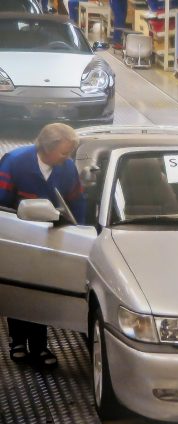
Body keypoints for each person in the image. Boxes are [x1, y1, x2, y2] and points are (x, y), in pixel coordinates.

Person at [0, 123, 85, 369]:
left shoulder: (67, 168)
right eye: (64, 152)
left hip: (49, 240)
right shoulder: (15, 162)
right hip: (18, 238)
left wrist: (79, 231)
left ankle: (39, 346)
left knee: (41, 291)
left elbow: (77, 201)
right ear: (47, 148)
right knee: (20, 290)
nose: (67, 157)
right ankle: (17, 342)